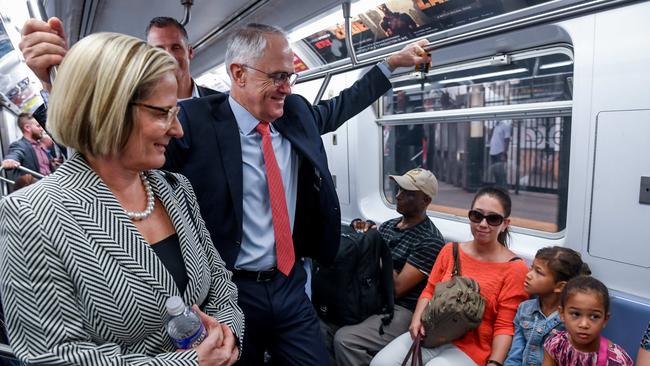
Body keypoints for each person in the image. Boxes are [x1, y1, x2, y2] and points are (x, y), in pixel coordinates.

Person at [19, 20, 430, 365]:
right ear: (239, 74)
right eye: (278, 76)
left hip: (290, 282)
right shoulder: (195, 121)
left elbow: (342, 105)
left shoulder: (296, 114)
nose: (288, 86)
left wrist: (389, 65)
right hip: (236, 284)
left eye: (291, 76)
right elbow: (108, 160)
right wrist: (62, 86)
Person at [0, 32, 243, 365]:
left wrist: (228, 335)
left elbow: (218, 280)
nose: (178, 131)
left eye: (177, 113)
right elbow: (52, 355)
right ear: (107, 110)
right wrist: (187, 363)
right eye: (162, 113)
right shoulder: (30, 215)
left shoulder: (175, 188)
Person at [371, 186, 529, 366]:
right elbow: (429, 291)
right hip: (433, 330)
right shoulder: (450, 251)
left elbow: (505, 325)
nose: (483, 224)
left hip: (473, 348)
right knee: (380, 362)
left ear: (505, 224)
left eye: (493, 219)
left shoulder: (515, 269)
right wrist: (416, 321)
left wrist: (495, 362)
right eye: (477, 216)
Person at [332, 168, 445, 366]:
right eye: (399, 190)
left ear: (425, 201)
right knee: (323, 325)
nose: (399, 196)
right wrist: (360, 241)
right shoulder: (388, 226)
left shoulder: (430, 240)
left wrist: (375, 247)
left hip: (403, 310)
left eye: (408, 193)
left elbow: (397, 289)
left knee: (346, 340)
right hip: (373, 297)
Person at [505, 246, 592, 366]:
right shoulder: (524, 309)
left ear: (560, 286)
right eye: (532, 268)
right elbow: (515, 354)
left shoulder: (571, 322)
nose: (529, 275)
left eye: (538, 272)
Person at [542, 276, 633, 366]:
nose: (584, 324)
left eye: (594, 316)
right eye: (576, 314)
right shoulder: (555, 345)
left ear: (605, 319)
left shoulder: (617, 360)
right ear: (562, 314)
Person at [145, 16, 219, 99]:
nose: (169, 57)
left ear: (190, 52)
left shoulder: (220, 102)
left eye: (176, 48)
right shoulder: (137, 109)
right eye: (159, 50)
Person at [1, 113, 51, 179]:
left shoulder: (40, 146)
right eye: (38, 126)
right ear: (27, 128)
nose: (41, 129)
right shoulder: (20, 145)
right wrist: (10, 160)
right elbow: (15, 153)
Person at [489, 120, 511, 189]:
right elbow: (492, 137)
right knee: (496, 171)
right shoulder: (495, 126)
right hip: (493, 151)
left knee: (501, 172)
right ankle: (498, 187)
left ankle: (504, 188)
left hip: (500, 152)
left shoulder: (505, 126)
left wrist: (504, 153)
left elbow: (507, 140)